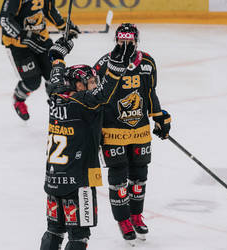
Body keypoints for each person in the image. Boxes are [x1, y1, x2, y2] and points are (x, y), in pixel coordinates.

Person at [40, 35, 136, 250]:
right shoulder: (85, 102)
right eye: (90, 82)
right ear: (78, 85)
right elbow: (105, 91)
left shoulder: (56, 94)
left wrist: (57, 55)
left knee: (54, 230)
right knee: (79, 237)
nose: (94, 85)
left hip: (54, 179)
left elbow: (56, 70)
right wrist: (117, 66)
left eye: (94, 81)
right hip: (79, 182)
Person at [93, 23, 171, 243]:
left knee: (139, 176)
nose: (125, 44)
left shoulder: (147, 62)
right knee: (118, 176)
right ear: (116, 40)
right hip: (112, 130)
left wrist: (159, 117)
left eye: (129, 40)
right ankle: (123, 220)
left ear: (136, 41)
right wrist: (94, 129)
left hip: (139, 131)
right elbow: (95, 99)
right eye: (121, 40)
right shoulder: (103, 64)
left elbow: (150, 92)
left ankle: (136, 215)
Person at [0, 0, 80, 120]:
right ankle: (18, 99)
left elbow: (49, 9)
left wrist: (64, 26)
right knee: (32, 82)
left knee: (53, 74)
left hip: (40, 38)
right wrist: (23, 35)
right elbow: (5, 20)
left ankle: (58, 102)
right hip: (18, 45)